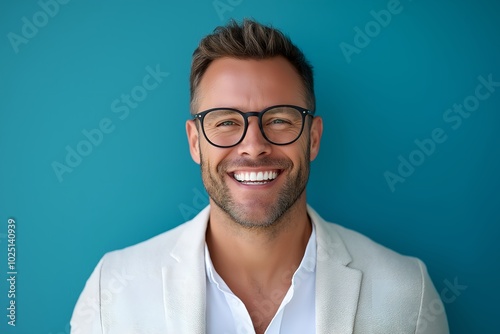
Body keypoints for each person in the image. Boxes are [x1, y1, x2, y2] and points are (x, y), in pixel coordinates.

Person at [70, 19, 449, 334]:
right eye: (226, 122)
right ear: (195, 142)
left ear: (313, 138)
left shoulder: (406, 293)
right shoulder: (112, 292)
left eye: (280, 120)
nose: (253, 146)